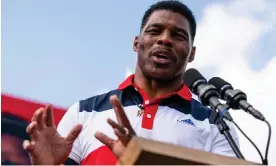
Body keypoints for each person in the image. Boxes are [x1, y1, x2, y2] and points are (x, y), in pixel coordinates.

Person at [23, 0, 239, 165]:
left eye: (178, 35)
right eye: (155, 31)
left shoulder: (215, 123)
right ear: (137, 43)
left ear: (191, 53)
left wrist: (139, 160)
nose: (164, 39)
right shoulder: (84, 113)